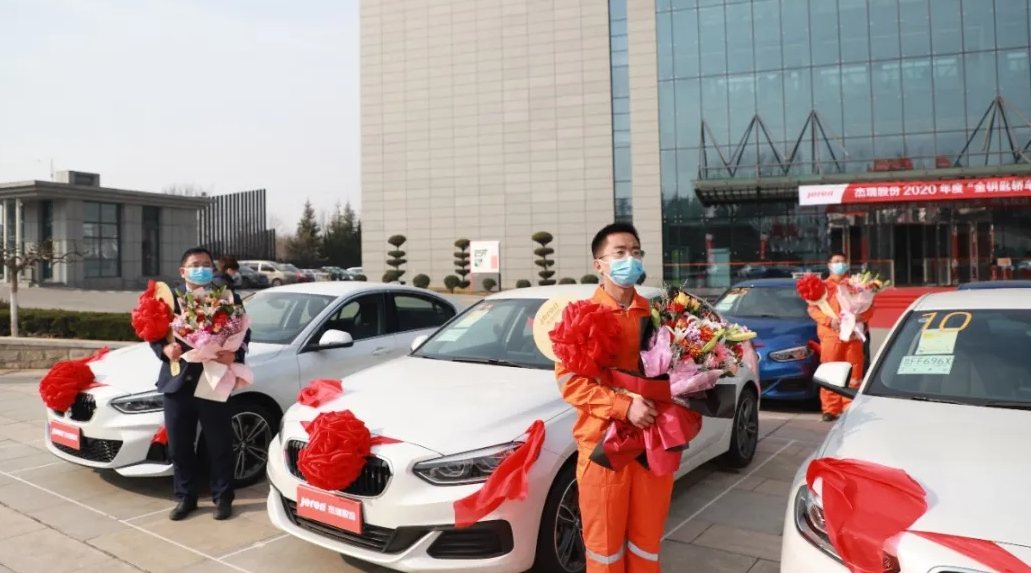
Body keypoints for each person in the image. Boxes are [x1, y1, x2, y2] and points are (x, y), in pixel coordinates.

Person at [556, 222, 669, 573]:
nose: (629, 259)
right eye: (620, 252)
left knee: (647, 541)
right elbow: (571, 384)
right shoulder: (581, 317)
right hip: (604, 446)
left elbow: (677, 374)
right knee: (604, 547)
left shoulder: (657, 315)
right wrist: (624, 405)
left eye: (635, 252)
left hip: (651, 442)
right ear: (599, 264)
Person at [150, 247, 250, 521]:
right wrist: (164, 350)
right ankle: (186, 497)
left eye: (206, 264)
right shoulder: (167, 300)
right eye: (195, 264)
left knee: (219, 444)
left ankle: (223, 498)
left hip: (214, 380)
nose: (201, 269)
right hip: (177, 383)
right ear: (183, 271)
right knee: (179, 446)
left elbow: (244, 332)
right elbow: (153, 332)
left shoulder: (227, 297)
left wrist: (235, 355)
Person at [807, 252, 873, 422]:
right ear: (829, 265)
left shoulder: (857, 285)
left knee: (854, 371)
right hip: (831, 334)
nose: (840, 264)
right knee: (830, 370)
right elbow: (813, 309)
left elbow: (870, 308)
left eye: (843, 261)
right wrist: (829, 321)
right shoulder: (821, 287)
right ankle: (830, 409)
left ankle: (849, 406)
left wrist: (858, 318)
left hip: (853, 334)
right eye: (836, 261)